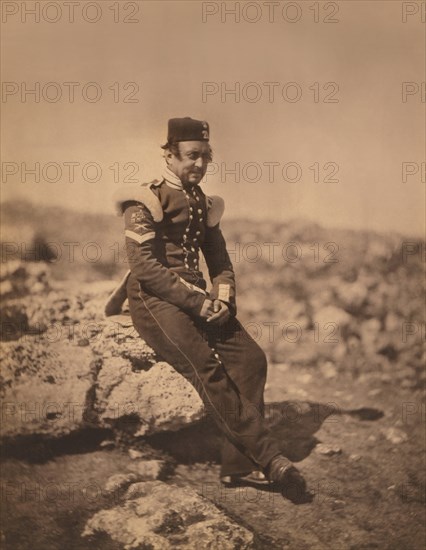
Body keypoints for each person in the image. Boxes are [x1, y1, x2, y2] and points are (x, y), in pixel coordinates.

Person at [110, 117, 309, 501]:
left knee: (252, 359)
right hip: (154, 301)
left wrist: (223, 299)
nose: (199, 164)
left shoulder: (203, 202)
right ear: (169, 155)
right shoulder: (145, 199)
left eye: (205, 157)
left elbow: (219, 262)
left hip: (198, 301)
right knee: (207, 369)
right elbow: (145, 268)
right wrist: (199, 303)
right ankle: (270, 459)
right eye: (191, 156)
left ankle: (237, 463)